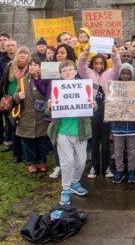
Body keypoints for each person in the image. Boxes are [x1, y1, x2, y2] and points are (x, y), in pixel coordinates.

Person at [46, 59, 95, 206]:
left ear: (75, 71)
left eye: (70, 69)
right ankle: (65, 189)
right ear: (60, 74)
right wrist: (49, 106)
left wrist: (93, 104)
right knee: (67, 163)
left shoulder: (83, 87)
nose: (67, 72)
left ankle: (74, 183)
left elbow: (94, 107)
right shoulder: (57, 88)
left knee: (81, 161)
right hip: (62, 131)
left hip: (80, 131)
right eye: (64, 70)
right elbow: (48, 111)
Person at [78, 46, 121, 179]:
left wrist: (115, 54)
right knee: (95, 141)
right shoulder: (88, 73)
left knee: (106, 142)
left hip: (107, 110)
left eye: (101, 63)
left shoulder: (109, 73)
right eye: (96, 63)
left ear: (104, 64)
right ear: (92, 64)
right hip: (93, 111)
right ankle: (94, 167)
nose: (98, 65)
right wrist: (85, 54)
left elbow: (117, 68)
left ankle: (107, 167)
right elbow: (80, 66)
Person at [13, 57, 51, 173]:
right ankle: (31, 162)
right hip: (27, 117)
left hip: (42, 118)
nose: (33, 67)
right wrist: (18, 96)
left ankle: (42, 161)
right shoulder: (23, 80)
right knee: (27, 142)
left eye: (36, 65)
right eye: (31, 65)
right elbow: (15, 95)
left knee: (43, 142)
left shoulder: (47, 80)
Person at [0, 46, 31, 162]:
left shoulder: (31, 67)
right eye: (21, 53)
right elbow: (3, 82)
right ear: (17, 55)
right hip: (12, 100)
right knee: (13, 127)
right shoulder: (10, 66)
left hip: (26, 100)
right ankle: (16, 153)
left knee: (24, 128)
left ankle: (25, 153)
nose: (23, 55)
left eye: (25, 53)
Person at [111, 63, 135, 184]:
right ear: (119, 74)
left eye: (128, 73)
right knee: (118, 150)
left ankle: (131, 170)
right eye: (123, 73)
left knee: (132, 150)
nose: (125, 75)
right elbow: (109, 103)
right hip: (118, 125)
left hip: (132, 125)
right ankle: (119, 170)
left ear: (131, 75)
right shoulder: (113, 87)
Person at [0, 39, 18, 152]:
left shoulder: (21, 59)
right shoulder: (2, 61)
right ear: (5, 47)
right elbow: (1, 79)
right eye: (8, 46)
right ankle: (9, 142)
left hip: (20, 95)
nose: (11, 47)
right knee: (8, 120)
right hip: (7, 94)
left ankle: (19, 142)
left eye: (13, 45)